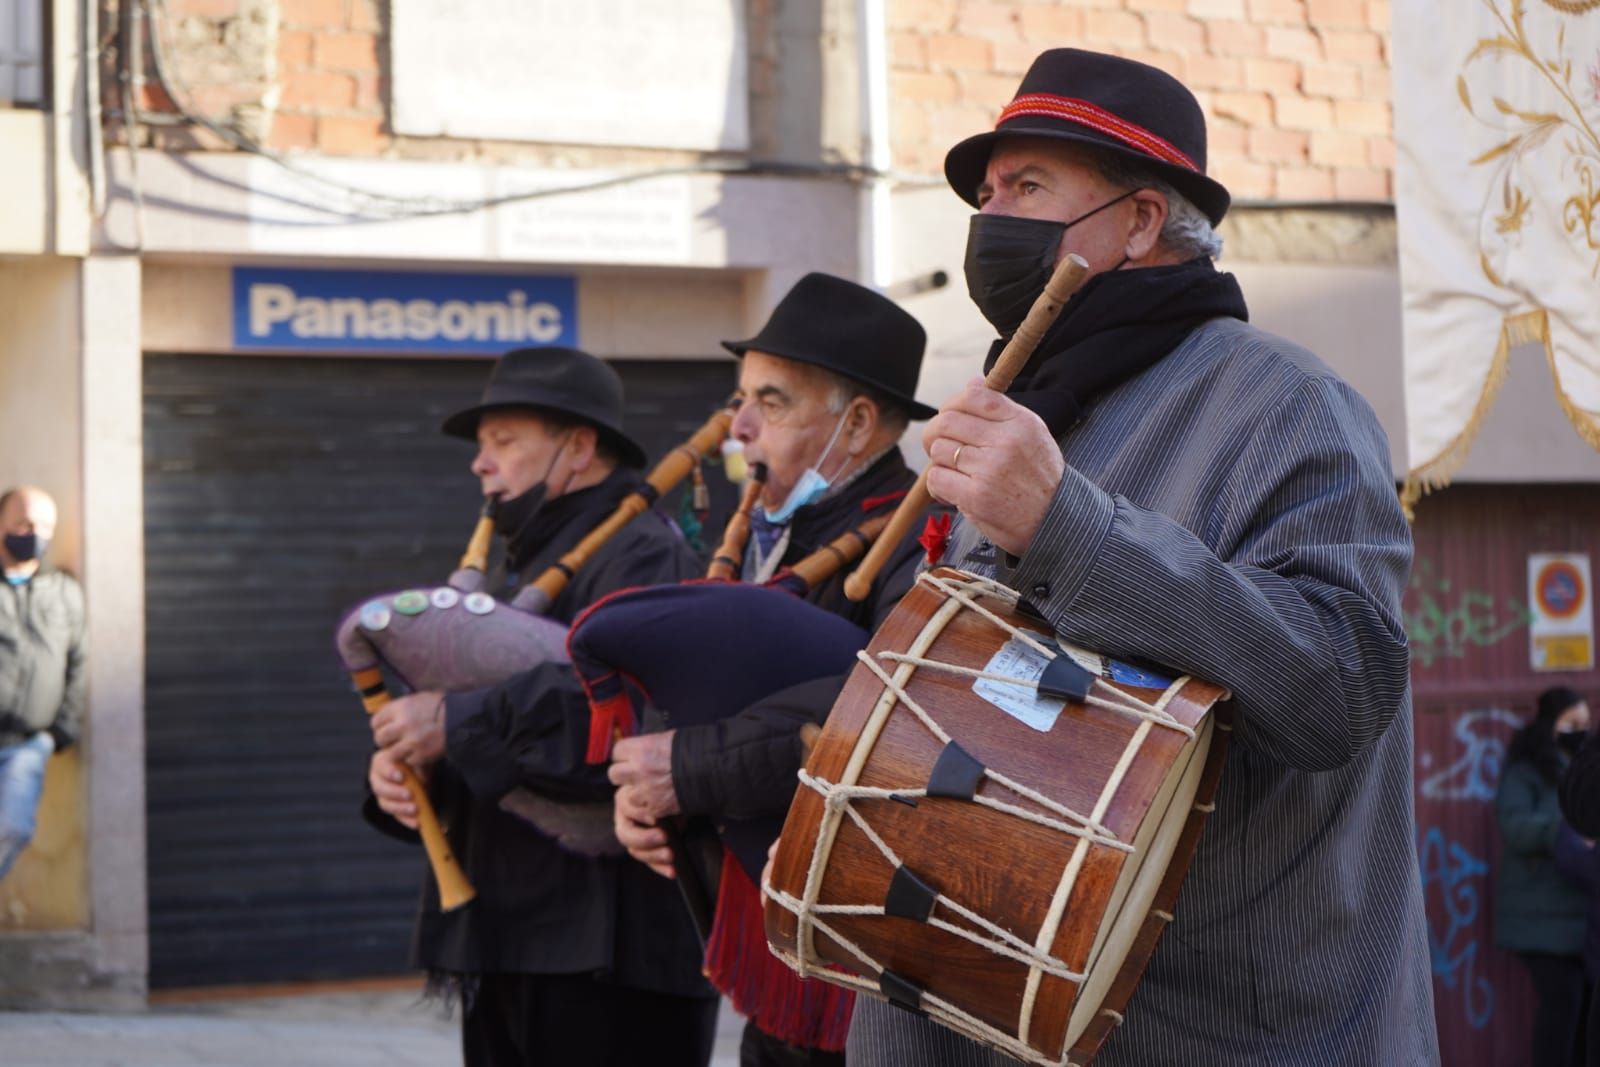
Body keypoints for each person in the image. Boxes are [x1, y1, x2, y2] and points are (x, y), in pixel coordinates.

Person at [844, 48, 1439, 1064]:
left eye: (1027, 186)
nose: (991, 220)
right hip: (992, 1006)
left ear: (1140, 219)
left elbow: (1340, 681)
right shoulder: (1035, 406)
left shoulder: (1287, 403)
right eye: (987, 194)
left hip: (1217, 1029)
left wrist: (1067, 527)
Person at [605, 273, 939, 1067]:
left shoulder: (923, 539)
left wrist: (689, 769)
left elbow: (889, 712)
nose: (740, 427)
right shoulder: (772, 530)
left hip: (867, 967)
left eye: (772, 401)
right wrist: (653, 794)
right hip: (779, 952)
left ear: (856, 424)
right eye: (740, 399)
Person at [361, 347, 716, 1067]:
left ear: (578, 447)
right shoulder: (513, 561)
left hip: (608, 956)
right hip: (513, 934)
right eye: (483, 445)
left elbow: (627, 710)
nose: (480, 464)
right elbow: (482, 713)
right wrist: (409, 770)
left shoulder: (643, 553)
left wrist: (455, 724)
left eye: (504, 440)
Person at [1499, 685, 1592, 1066]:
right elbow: (1514, 826)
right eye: (1571, 723)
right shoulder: (1527, 771)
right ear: (1549, 725)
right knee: (1563, 1004)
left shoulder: (1583, 768)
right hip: (1538, 920)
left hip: (1576, 921)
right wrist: (1568, 825)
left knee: (1583, 1011)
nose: (1580, 731)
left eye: (1585, 723)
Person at [0, 487, 86, 881]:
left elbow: (78, 663)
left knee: (13, 828)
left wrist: (60, 731)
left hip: (27, 746)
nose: (33, 532)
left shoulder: (64, 591)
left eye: (44, 525)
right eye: (24, 522)